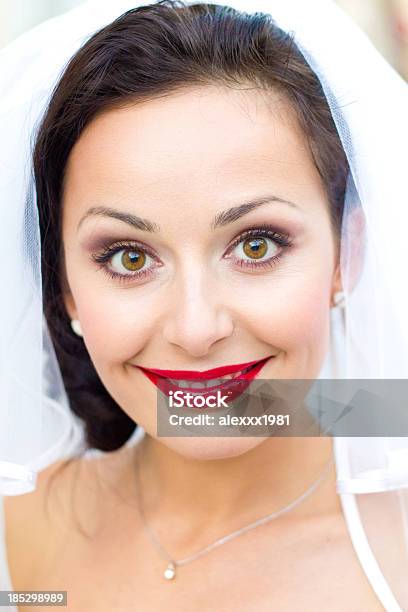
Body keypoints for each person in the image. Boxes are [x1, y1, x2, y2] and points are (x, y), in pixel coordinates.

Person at [0, 1, 407, 610]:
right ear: (63, 287)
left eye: (256, 244)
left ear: (347, 254)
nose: (196, 329)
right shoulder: (21, 530)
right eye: (128, 258)